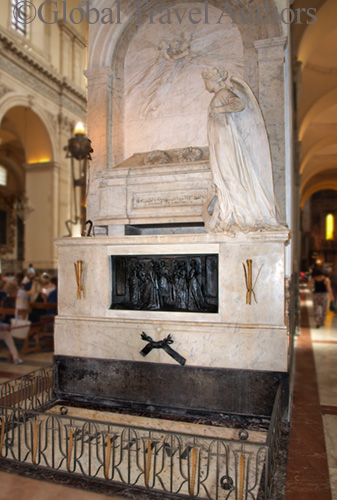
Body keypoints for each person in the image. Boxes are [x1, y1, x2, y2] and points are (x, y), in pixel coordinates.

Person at [202, 67, 282, 234]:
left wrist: (219, 110)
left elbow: (239, 104)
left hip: (225, 144)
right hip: (219, 144)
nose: (205, 85)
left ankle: (241, 215)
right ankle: (230, 213)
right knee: (224, 178)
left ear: (214, 80)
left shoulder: (223, 93)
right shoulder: (219, 95)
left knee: (230, 177)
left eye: (206, 81)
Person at [0, 281, 23, 364]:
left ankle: (15, 356)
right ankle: (15, 356)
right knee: (7, 335)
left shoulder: (3, 300)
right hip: (13, 323)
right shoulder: (19, 300)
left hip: (5, 323)